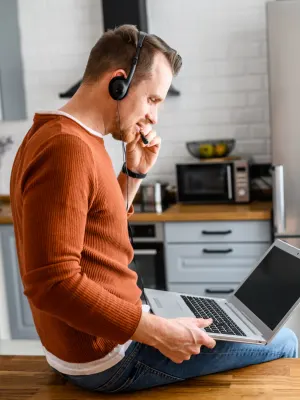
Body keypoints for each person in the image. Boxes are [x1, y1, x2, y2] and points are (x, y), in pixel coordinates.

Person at [10, 24, 298, 394]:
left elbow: (96, 230)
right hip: (108, 356)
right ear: (119, 82)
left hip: (102, 340)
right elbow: (51, 283)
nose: (154, 117)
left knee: (225, 325)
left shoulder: (65, 136)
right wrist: (158, 332)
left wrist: (134, 172)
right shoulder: (67, 149)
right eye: (153, 100)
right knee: (285, 341)